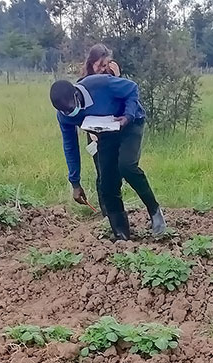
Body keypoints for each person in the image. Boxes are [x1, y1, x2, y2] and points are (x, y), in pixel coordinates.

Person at [49, 75, 166, 240]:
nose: (70, 113)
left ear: (76, 94)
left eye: (71, 108)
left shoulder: (101, 84)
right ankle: (122, 234)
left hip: (129, 123)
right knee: (106, 184)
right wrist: (75, 183)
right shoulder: (64, 116)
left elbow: (132, 88)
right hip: (106, 132)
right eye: (64, 111)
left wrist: (128, 116)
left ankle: (154, 211)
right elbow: (70, 147)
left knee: (126, 166)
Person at [78, 44, 121, 217]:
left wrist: (117, 77)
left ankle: (115, 208)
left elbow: (121, 101)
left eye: (105, 65)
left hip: (113, 131)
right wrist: (90, 131)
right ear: (91, 64)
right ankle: (107, 213)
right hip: (94, 134)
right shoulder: (83, 84)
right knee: (102, 172)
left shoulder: (111, 79)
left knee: (115, 172)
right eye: (99, 66)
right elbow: (80, 112)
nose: (103, 70)